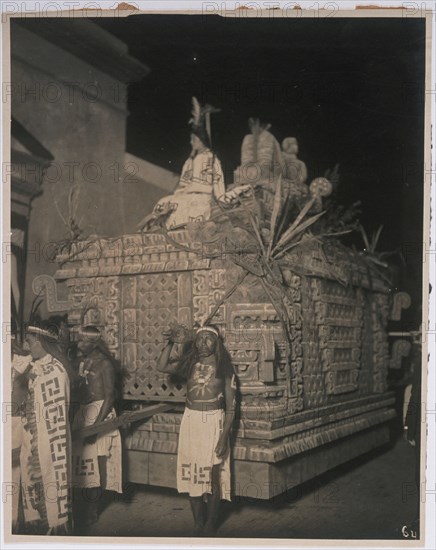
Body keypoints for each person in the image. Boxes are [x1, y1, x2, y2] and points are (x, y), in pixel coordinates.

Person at [157, 324, 237, 535]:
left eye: (208, 339)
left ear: (216, 343)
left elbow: (231, 409)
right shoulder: (189, 364)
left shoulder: (225, 368)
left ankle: (211, 523)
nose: (203, 343)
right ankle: (198, 522)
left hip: (213, 421)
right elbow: (162, 366)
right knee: (193, 473)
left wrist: (223, 437)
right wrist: (172, 341)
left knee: (211, 475)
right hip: (191, 420)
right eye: (200, 339)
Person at [18, 323, 72, 535]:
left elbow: (55, 421)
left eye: (29, 342)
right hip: (33, 437)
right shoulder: (36, 366)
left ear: (40, 343)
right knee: (32, 478)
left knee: (51, 475)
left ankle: (55, 530)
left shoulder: (56, 371)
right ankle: (38, 526)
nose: (25, 345)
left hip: (49, 439)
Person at [71, 325, 122, 528]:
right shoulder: (81, 361)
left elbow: (110, 396)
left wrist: (97, 427)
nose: (79, 343)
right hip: (83, 412)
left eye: (83, 340)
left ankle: (93, 509)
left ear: (94, 343)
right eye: (79, 339)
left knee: (97, 465)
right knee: (80, 463)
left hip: (100, 412)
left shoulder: (105, 364)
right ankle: (80, 507)